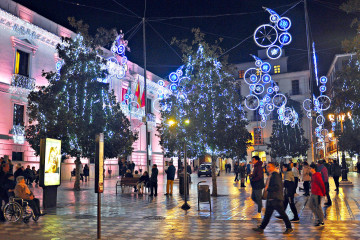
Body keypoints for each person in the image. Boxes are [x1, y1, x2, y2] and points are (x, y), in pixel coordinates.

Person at [252, 162, 293, 234]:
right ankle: (261, 228)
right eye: (267, 167)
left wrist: (268, 188)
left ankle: (289, 227)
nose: (267, 168)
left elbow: (277, 187)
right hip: (271, 198)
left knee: (282, 214)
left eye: (269, 167)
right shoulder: (271, 175)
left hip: (275, 198)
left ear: (273, 167)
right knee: (267, 215)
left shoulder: (275, 175)